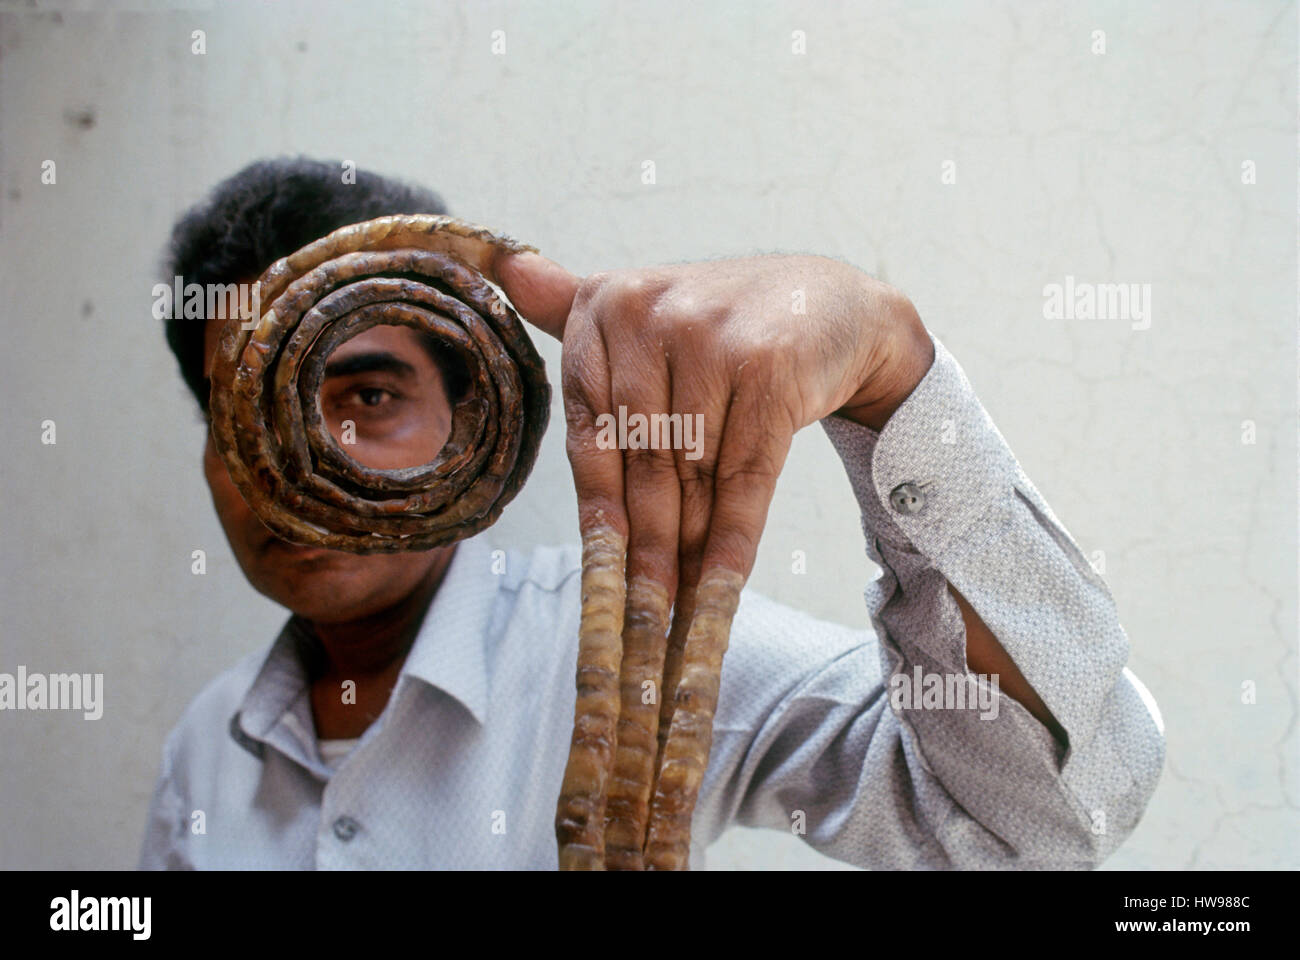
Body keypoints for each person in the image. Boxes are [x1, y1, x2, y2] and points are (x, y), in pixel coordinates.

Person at [138, 156, 1164, 869]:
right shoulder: (204, 745)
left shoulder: (650, 653)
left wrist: (893, 380)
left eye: (368, 396)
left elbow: (1040, 827)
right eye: (247, 414)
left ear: (470, 417)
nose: (300, 457)